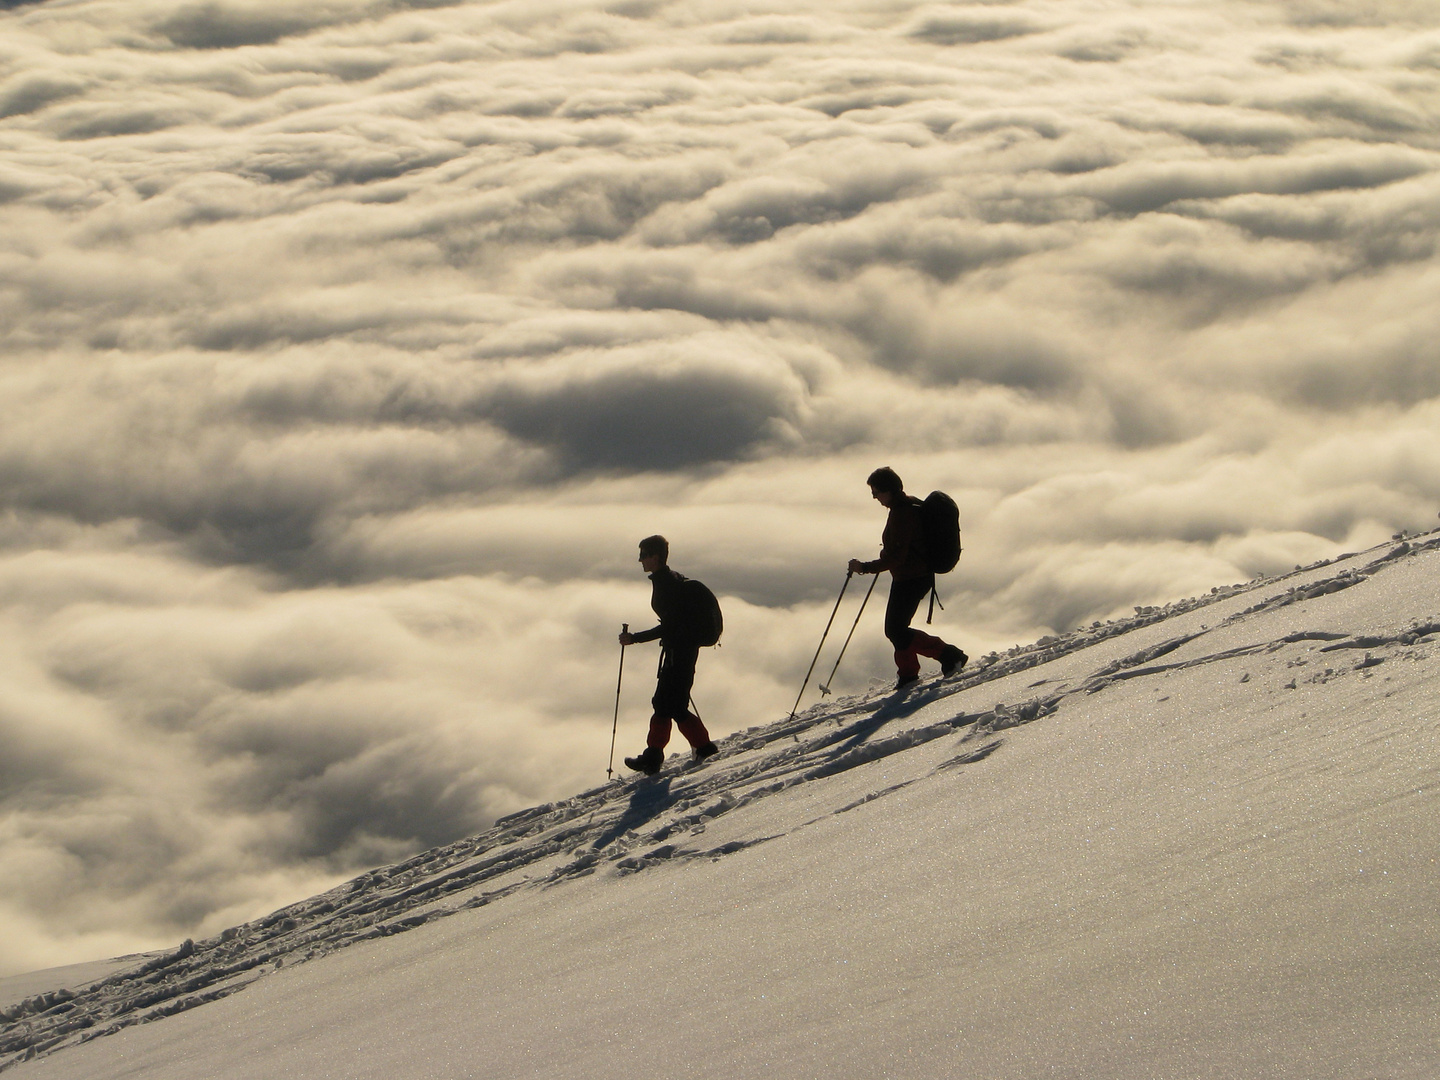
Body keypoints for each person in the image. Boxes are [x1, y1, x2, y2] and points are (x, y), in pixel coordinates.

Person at [848, 467, 967, 690]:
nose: (874, 496)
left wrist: (865, 567)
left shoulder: (902, 514)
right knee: (896, 628)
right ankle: (909, 674)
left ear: (888, 490)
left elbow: (897, 557)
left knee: (895, 629)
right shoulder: (907, 505)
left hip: (912, 578)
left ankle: (947, 656)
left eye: (876, 492)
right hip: (913, 576)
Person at [618, 535, 719, 775]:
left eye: (643, 555)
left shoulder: (668, 586)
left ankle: (704, 748)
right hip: (680, 650)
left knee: (674, 705)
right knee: (664, 704)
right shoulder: (669, 582)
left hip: (681, 652)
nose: (640, 560)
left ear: (655, 557)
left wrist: (635, 638)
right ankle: (654, 757)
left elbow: (669, 626)